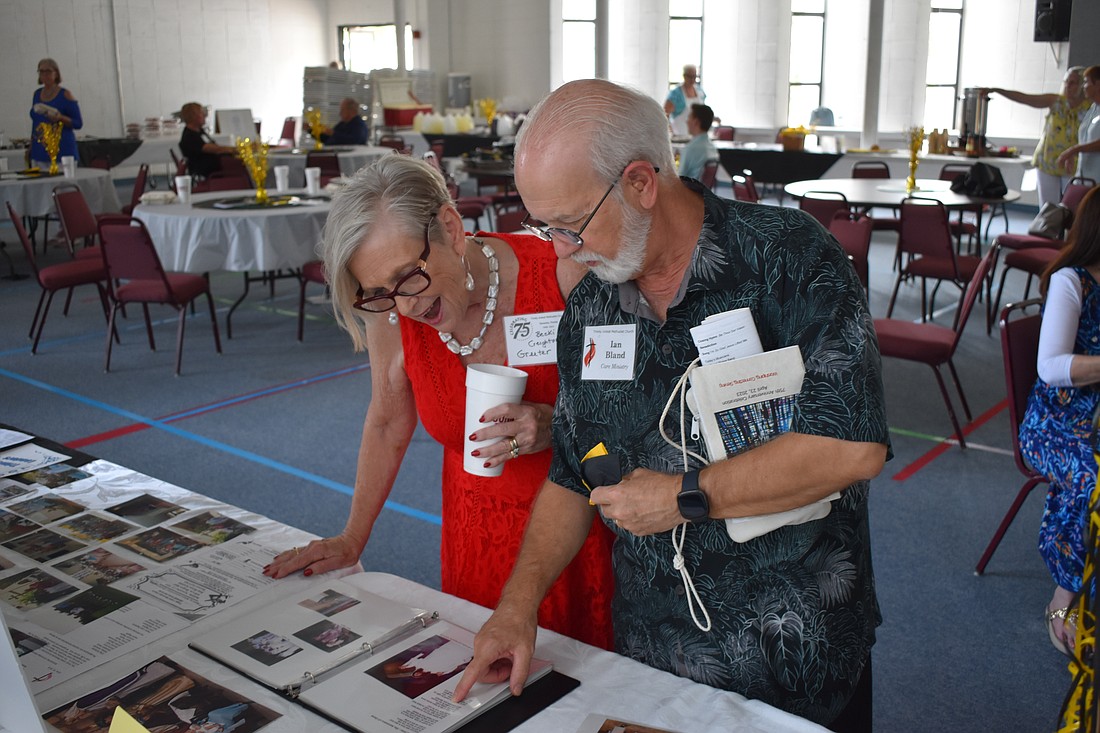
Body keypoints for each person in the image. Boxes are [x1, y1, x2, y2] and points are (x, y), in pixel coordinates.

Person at [452, 79, 890, 731]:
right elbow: (574, 473)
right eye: (545, 228)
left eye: (570, 225)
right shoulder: (595, 307)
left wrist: (685, 495)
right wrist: (518, 605)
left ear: (640, 183)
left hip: (797, 663)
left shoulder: (786, 257)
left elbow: (850, 447)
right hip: (652, 669)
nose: (559, 251)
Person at [262, 155, 616, 650]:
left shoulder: (563, 275)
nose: (407, 306)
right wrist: (352, 538)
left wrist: (557, 423)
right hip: (473, 539)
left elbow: (631, 419)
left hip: (576, 535)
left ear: (450, 228)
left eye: (410, 276)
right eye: (380, 292)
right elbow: (387, 421)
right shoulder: (390, 310)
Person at [1018, 186, 1100, 657]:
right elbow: (1050, 367)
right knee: (1092, 478)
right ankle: (1065, 595)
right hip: (1053, 423)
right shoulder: (1073, 280)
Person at [986, 68, 1089, 207]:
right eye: (1066, 82)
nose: (1068, 86)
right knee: (1047, 207)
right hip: (1047, 162)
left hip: (1073, 164)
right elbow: (1026, 98)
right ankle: (1047, 229)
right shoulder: (1056, 101)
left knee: (1070, 208)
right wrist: (997, 90)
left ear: (1082, 85)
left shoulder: (1090, 107)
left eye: (1073, 83)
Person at [28, 58, 82, 168]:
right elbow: (35, 123)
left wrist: (61, 118)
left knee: (63, 184)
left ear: (56, 73)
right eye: (41, 71)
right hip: (40, 151)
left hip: (62, 150)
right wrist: (31, 146)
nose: (44, 75)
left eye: (48, 71)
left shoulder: (65, 95)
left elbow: (78, 123)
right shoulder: (37, 95)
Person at [1057, 66, 1100, 185]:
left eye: (1086, 82)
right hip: (1083, 178)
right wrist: (1075, 152)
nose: (1083, 86)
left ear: (1098, 84)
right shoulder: (1093, 108)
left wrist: (1074, 150)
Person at [178, 102, 237, 179]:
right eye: (201, 113)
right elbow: (213, 149)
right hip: (207, 173)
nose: (205, 116)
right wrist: (234, 149)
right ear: (193, 116)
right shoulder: (189, 137)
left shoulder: (199, 131)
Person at [676, 103, 718, 181]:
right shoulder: (712, 147)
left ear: (696, 122)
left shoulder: (690, 148)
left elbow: (679, 178)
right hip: (703, 191)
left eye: (689, 117)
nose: (687, 121)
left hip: (689, 191)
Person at [663, 64, 705, 138]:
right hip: (679, 136)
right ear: (684, 76)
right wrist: (670, 131)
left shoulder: (700, 92)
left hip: (697, 136)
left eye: (694, 76)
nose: (692, 79)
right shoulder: (676, 94)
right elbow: (665, 114)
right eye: (690, 76)